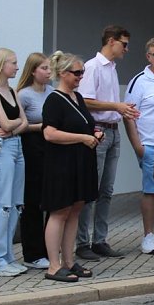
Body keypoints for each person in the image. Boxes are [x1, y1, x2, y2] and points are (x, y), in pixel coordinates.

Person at [76, 25, 138, 260]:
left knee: (107, 190)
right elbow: (85, 101)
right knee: (91, 188)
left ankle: (99, 239)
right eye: (124, 44)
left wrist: (122, 110)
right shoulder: (93, 67)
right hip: (98, 130)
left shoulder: (111, 68)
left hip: (113, 130)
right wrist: (116, 106)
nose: (126, 49)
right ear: (111, 41)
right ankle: (83, 242)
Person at [40, 52, 99, 282]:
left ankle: (69, 260)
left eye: (82, 72)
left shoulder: (78, 97)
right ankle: (53, 265)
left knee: (75, 209)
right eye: (76, 73)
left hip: (80, 161)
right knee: (60, 211)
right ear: (63, 73)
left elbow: (84, 125)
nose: (80, 76)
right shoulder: (54, 100)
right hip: (61, 163)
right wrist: (82, 138)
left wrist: (94, 134)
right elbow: (49, 133)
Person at [124, 37, 154, 255]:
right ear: (148, 57)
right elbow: (128, 115)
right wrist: (138, 146)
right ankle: (148, 236)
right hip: (150, 144)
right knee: (151, 191)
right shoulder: (139, 81)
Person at [0, 48, 28, 277]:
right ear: (2, 65)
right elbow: (7, 122)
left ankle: (7, 255)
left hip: (15, 145)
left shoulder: (11, 90)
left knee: (16, 203)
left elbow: (23, 122)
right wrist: (14, 125)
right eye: (13, 62)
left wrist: (13, 127)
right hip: (2, 149)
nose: (17, 67)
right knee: (1, 204)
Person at [16, 52, 53, 269]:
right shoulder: (24, 95)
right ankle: (32, 253)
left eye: (49, 68)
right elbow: (20, 125)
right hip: (32, 148)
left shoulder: (52, 92)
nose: (48, 72)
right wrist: (41, 127)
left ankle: (49, 248)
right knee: (33, 201)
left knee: (50, 200)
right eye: (44, 68)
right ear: (33, 71)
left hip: (50, 148)